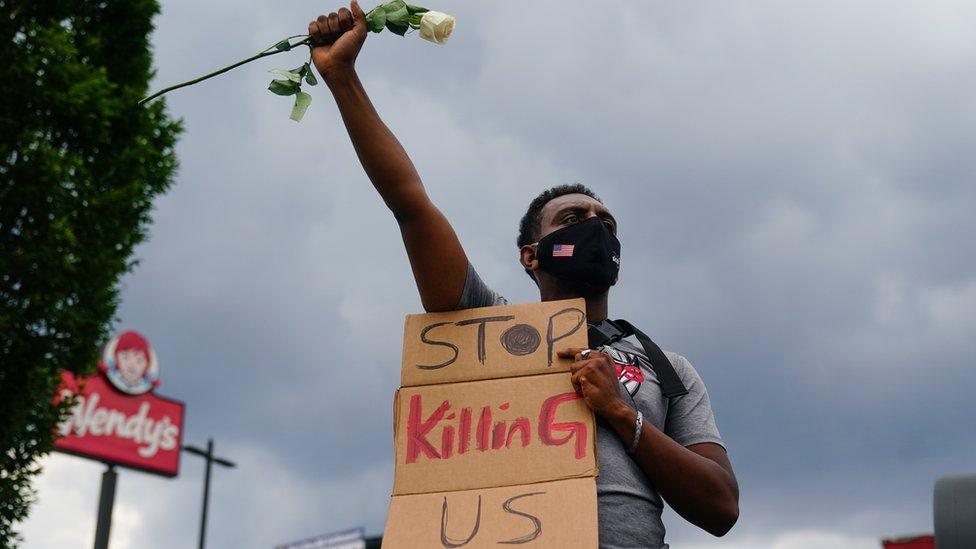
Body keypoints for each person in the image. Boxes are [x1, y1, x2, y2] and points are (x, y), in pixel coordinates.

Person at [307, 3, 739, 547]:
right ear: (532, 255)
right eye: (574, 220)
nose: (595, 229)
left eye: (606, 223)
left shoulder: (668, 368)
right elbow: (410, 204)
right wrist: (343, 80)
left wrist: (620, 414)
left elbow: (721, 506)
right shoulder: (484, 329)